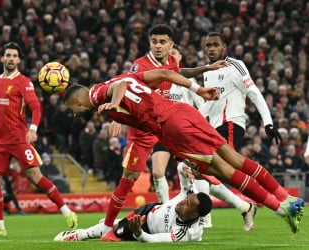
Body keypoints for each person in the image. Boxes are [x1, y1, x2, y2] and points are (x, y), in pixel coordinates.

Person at [64, 68, 304, 234]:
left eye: (72, 110)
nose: (75, 115)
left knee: (223, 171)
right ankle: (286, 199)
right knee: (234, 159)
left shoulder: (96, 95)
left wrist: (115, 103)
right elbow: (166, 75)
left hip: (171, 128)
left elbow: (120, 86)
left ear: (76, 101)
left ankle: (281, 209)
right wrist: (197, 90)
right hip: (183, 111)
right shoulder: (125, 76)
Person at [101, 24, 228, 235]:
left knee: (195, 155)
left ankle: (213, 180)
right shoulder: (139, 66)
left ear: (171, 45)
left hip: (162, 125)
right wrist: (117, 117)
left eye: (162, 42)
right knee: (129, 178)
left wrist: (205, 68)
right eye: (154, 42)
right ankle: (107, 226)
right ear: (149, 43)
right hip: (141, 128)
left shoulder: (170, 61)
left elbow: (178, 72)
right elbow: (124, 86)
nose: (158, 46)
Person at [0, 42, 77, 237]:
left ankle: (66, 211)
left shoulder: (24, 82)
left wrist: (33, 129)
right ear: (2, 58)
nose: (11, 59)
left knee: (35, 176)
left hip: (19, 137)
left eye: (14, 56)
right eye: (8, 55)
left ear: (18, 60)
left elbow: (36, 108)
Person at [163, 45, 258, 231]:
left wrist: (194, 124)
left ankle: (202, 218)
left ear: (180, 56)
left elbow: (202, 104)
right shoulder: (161, 79)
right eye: (169, 54)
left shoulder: (184, 81)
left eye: (174, 53)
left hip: (188, 134)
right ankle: (245, 206)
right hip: (170, 134)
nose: (170, 56)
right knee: (201, 175)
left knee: (195, 172)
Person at [54, 163, 212, 243]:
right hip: (150, 210)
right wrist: (184, 167)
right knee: (113, 228)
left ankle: (81, 234)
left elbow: (154, 240)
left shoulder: (185, 233)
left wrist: (139, 233)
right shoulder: (191, 193)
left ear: (195, 214)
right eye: (186, 198)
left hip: (145, 228)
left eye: (188, 204)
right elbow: (180, 168)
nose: (183, 201)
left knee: (114, 232)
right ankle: (79, 235)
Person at [200, 32, 282, 151]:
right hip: (214, 128)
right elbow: (210, 103)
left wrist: (268, 123)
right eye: (208, 45)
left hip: (231, 124)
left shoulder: (235, 66)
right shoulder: (207, 71)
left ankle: (258, 170)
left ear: (224, 47)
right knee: (218, 167)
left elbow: (254, 94)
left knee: (226, 165)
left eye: (216, 45)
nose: (211, 49)